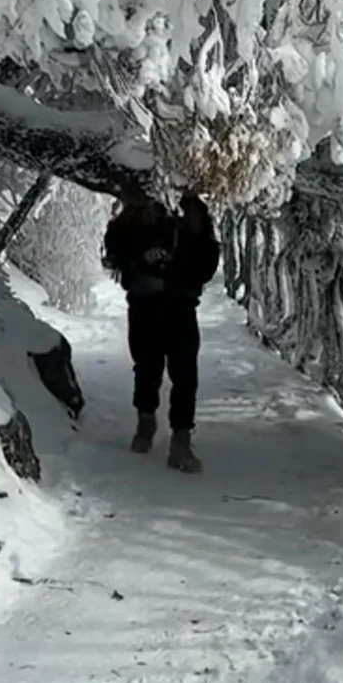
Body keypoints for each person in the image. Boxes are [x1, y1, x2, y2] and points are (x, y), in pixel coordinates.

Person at [102, 190, 219, 474]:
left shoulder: (193, 211)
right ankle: (146, 421)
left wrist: (177, 267)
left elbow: (208, 258)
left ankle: (181, 441)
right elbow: (114, 247)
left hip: (181, 305)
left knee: (185, 374)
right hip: (144, 304)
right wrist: (143, 259)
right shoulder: (138, 207)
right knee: (146, 367)